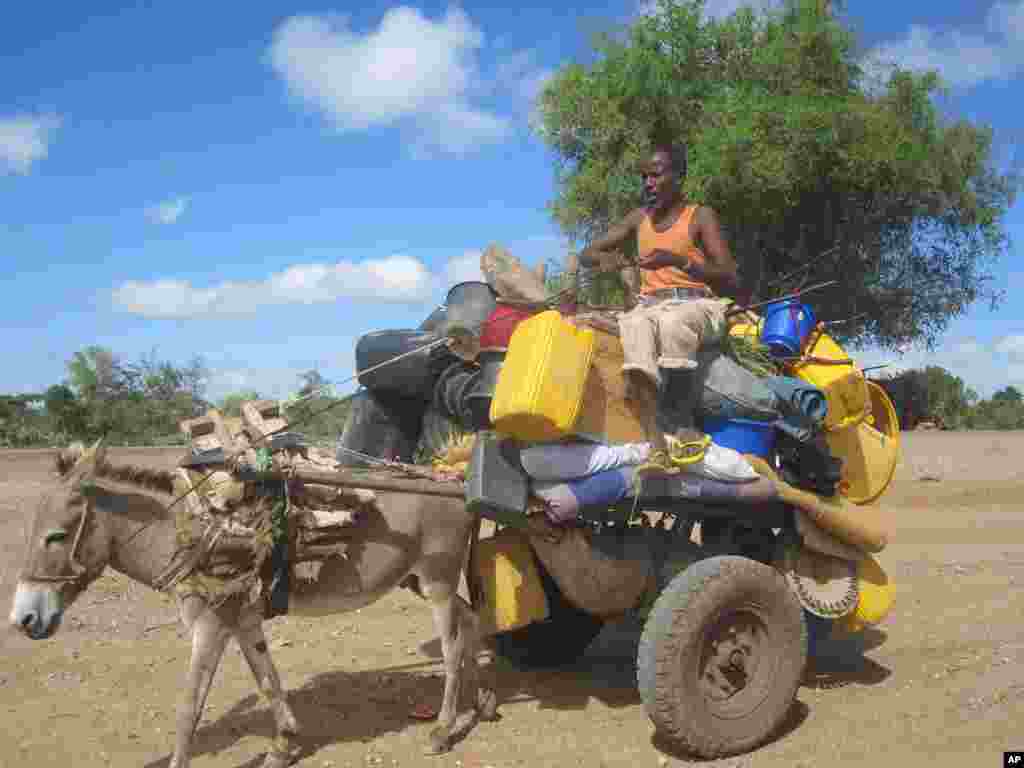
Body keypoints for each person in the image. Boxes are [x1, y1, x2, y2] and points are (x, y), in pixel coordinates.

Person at [578, 141, 742, 476]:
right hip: (650, 306)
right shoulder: (639, 218)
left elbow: (729, 276)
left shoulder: (699, 216)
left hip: (696, 304)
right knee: (634, 327)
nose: (648, 184)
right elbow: (588, 253)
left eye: (655, 175)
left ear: (678, 176)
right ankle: (656, 446)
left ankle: (682, 425)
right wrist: (609, 260)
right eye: (644, 177)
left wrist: (677, 260)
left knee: (672, 323)